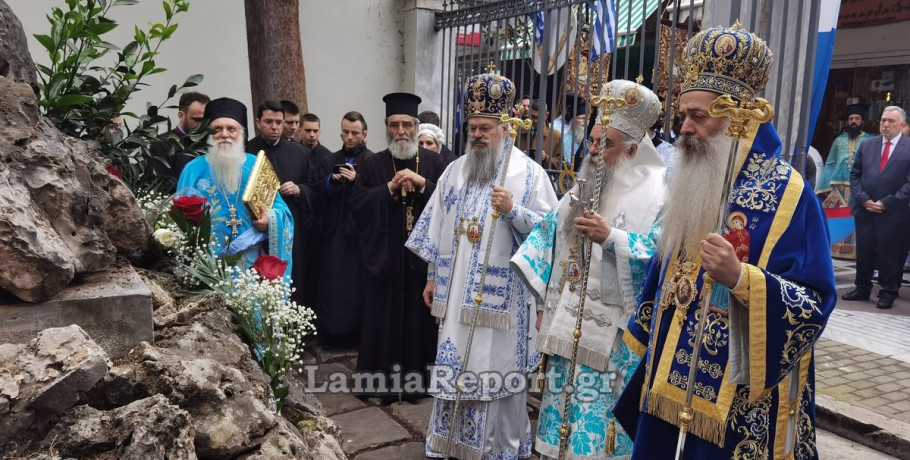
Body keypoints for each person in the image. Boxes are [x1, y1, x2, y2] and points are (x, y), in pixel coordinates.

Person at [615, 23, 836, 459]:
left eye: (699, 116)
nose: (685, 128)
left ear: (739, 119)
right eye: (683, 115)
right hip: (669, 375)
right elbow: (666, 270)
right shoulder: (694, 180)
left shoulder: (790, 197)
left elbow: (815, 304)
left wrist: (741, 278)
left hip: (737, 396)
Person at [405, 71, 558, 459]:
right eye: (472, 127)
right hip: (456, 298)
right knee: (457, 367)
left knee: (497, 373)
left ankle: (498, 451)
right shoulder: (455, 170)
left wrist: (514, 211)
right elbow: (438, 228)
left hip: (503, 308)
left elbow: (552, 235)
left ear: (505, 127)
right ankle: (452, 445)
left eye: (485, 128)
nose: (477, 135)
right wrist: (431, 279)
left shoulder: (530, 175)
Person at [511, 79, 666, 459]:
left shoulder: (661, 193)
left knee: (597, 429)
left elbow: (663, 256)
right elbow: (550, 232)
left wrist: (612, 236)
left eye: (604, 144)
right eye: (592, 141)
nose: (593, 151)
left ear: (632, 148)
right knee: (561, 414)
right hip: (570, 323)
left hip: (615, 337)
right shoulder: (586, 183)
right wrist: (545, 301)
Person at [352, 93, 446, 403]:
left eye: (407, 124)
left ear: (418, 127)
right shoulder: (372, 162)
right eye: (395, 125)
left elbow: (452, 205)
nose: (401, 131)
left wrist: (423, 184)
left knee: (421, 320)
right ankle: (380, 384)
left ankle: (420, 383)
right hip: (387, 257)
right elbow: (357, 205)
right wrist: (388, 188)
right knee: (383, 317)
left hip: (422, 261)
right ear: (386, 127)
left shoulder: (434, 162)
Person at [176, 97, 294, 277]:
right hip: (207, 269)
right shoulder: (192, 170)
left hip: (252, 268)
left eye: (231, 129)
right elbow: (178, 220)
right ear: (208, 133)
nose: (224, 134)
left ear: (242, 134)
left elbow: (281, 209)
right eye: (217, 129)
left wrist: (269, 221)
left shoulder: (256, 165)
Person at [247, 100, 320, 307]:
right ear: (258, 122)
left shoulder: (301, 153)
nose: (275, 127)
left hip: (290, 228)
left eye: (279, 122)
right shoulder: (247, 151)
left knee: (291, 278)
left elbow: (314, 187)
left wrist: (299, 190)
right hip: (255, 230)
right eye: (269, 121)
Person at [314, 111, 374, 347]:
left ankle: (354, 334)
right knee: (332, 282)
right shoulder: (329, 159)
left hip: (358, 235)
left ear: (365, 134)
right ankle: (331, 334)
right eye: (345, 132)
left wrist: (356, 180)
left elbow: (375, 194)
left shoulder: (372, 160)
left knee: (355, 285)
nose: (349, 137)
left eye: (354, 133)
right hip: (333, 233)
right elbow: (316, 187)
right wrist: (331, 181)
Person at [844, 106, 910, 310]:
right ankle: (862, 287)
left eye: (891, 121)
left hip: (893, 212)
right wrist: (864, 199)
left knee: (889, 253)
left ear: (902, 125)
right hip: (865, 209)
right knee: (864, 251)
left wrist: (886, 202)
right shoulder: (867, 145)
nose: (886, 124)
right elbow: (855, 175)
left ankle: (888, 292)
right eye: (883, 120)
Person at [149, 91, 211, 191]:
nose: (203, 124)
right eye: (197, 119)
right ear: (181, 115)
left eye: (206, 120)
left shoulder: (212, 143)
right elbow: (166, 183)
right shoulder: (161, 144)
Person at [816, 103, 873, 207]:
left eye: (857, 119)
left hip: (860, 186)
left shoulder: (869, 140)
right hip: (838, 188)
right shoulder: (839, 140)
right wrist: (825, 185)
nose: (853, 122)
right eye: (851, 119)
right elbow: (830, 163)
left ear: (862, 121)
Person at [517, 99, 564, 169]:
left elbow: (561, 164)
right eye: (533, 116)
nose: (535, 121)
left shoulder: (556, 136)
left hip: (544, 177)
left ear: (547, 115)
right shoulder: (517, 132)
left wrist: (546, 159)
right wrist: (519, 156)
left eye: (539, 118)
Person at [559, 95, 589, 171]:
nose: (585, 121)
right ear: (572, 121)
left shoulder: (589, 140)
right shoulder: (564, 140)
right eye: (581, 118)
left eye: (586, 118)